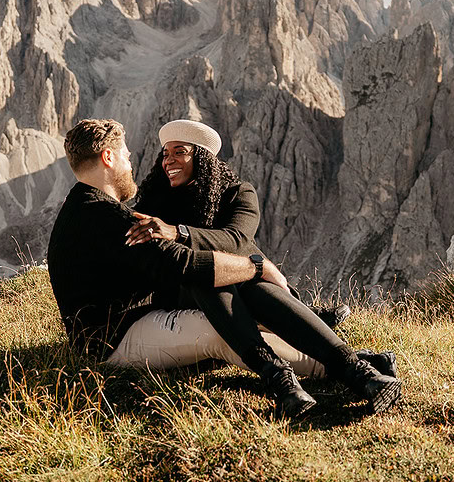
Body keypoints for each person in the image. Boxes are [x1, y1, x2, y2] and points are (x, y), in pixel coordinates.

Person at [47, 118, 403, 418]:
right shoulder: (105, 216)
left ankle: (357, 371)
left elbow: (228, 239)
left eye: (178, 152)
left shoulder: (91, 209)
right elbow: (185, 265)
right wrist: (256, 265)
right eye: (126, 156)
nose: (132, 163)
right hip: (109, 342)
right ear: (108, 157)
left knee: (228, 289)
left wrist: (245, 269)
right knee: (216, 316)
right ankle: (326, 371)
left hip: (139, 319)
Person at [127, 119, 395, 378]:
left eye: (180, 152)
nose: (168, 160)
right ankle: (352, 354)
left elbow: (235, 238)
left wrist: (177, 232)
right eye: (165, 154)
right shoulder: (154, 202)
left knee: (241, 283)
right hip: (186, 297)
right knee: (226, 280)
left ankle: (354, 365)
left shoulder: (238, 193)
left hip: (236, 289)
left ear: (202, 158)